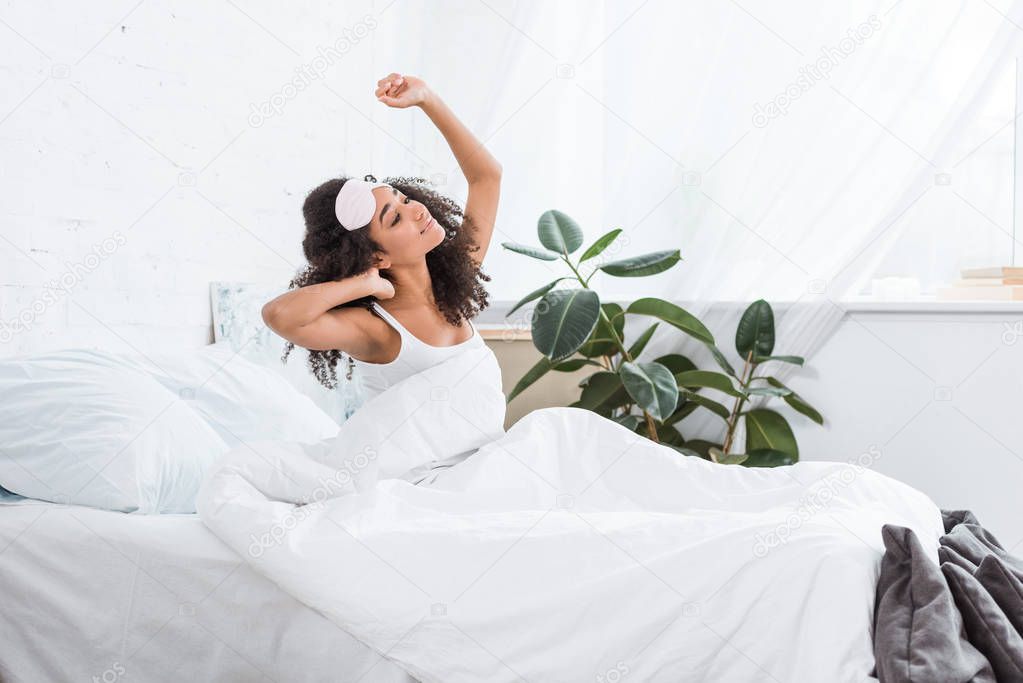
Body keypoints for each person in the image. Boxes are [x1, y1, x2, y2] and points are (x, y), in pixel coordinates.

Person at [262, 72, 501, 399]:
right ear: (376, 257)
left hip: (482, 450)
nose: (417, 210)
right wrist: (365, 283)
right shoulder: (377, 330)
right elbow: (280, 316)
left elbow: (486, 177)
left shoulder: (453, 288)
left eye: (403, 199)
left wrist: (426, 99)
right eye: (395, 218)